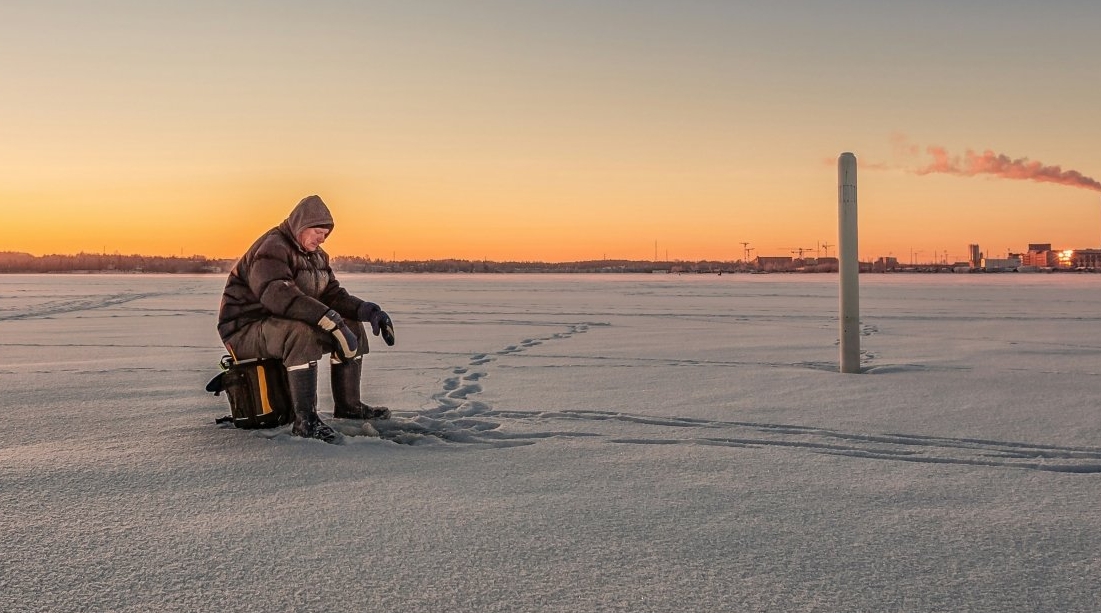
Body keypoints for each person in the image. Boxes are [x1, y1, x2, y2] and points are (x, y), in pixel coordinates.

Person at [217, 195, 395, 443]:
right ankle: (306, 421)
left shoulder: (318, 257)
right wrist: (327, 319)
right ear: (300, 226)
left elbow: (332, 295)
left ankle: (349, 406)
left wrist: (368, 311)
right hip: (244, 329)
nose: (322, 239)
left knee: (350, 325)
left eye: (325, 234)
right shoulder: (272, 248)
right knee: (300, 332)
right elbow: (277, 295)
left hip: (277, 324)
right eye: (317, 232)